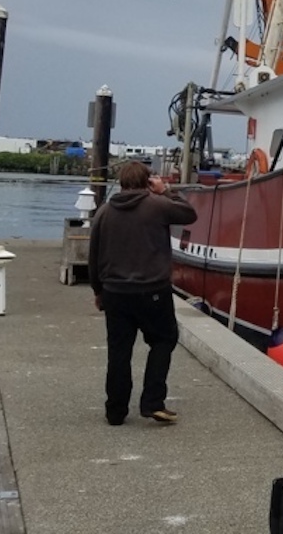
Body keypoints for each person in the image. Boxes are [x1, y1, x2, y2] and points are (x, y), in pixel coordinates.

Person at [89, 161, 198, 426]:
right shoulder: (157, 206)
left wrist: (98, 291)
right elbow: (189, 214)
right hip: (153, 290)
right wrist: (166, 191)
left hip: (115, 292)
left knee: (119, 351)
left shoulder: (104, 212)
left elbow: (94, 255)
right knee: (163, 340)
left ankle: (115, 411)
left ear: (122, 182)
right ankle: (152, 402)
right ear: (147, 181)